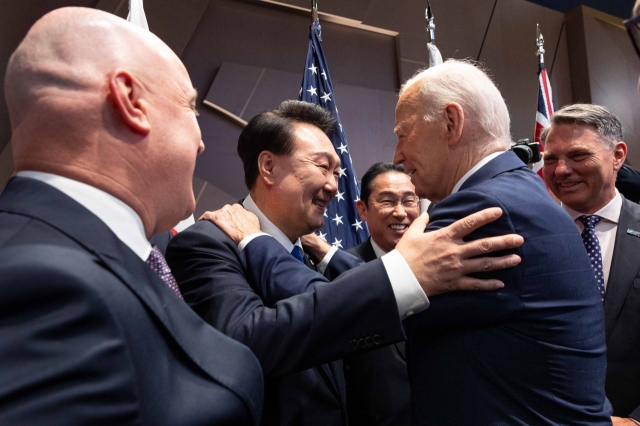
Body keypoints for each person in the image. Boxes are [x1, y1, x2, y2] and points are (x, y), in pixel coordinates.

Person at [166, 100, 525, 426]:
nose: (334, 186)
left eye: (337, 173)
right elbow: (244, 342)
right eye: (323, 167)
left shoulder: (310, 256)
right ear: (269, 166)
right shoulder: (207, 244)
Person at [0, 7, 263, 426]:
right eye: (190, 108)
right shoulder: (38, 282)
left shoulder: (88, 255)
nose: (200, 142)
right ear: (132, 101)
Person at [390, 60, 610, 425]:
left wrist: (261, 249)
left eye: (403, 133)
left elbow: (377, 300)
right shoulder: (520, 193)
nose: (397, 154)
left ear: (450, 122)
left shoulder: (484, 208)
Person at [541, 103, 640, 426]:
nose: (560, 171)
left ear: (618, 156)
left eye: (578, 156)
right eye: (550, 159)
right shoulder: (525, 238)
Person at [344, 162, 418, 426]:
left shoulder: (443, 266)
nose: (400, 213)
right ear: (362, 209)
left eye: (409, 201)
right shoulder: (340, 273)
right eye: (387, 201)